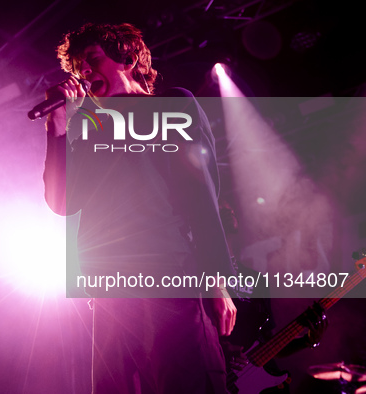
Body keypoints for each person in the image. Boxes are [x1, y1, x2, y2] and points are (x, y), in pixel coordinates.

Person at [42, 23, 236, 393]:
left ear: (128, 57)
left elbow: (202, 192)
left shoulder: (172, 105)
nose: (84, 71)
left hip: (172, 276)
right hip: (111, 289)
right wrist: (57, 127)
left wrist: (216, 279)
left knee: (188, 382)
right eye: (78, 67)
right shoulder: (86, 128)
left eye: (93, 59)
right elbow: (62, 203)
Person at [218, 199, 328, 393]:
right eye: (218, 204)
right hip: (215, 377)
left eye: (230, 206)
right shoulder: (198, 275)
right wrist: (220, 351)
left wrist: (308, 341)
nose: (228, 208)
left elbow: (268, 343)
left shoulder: (256, 279)